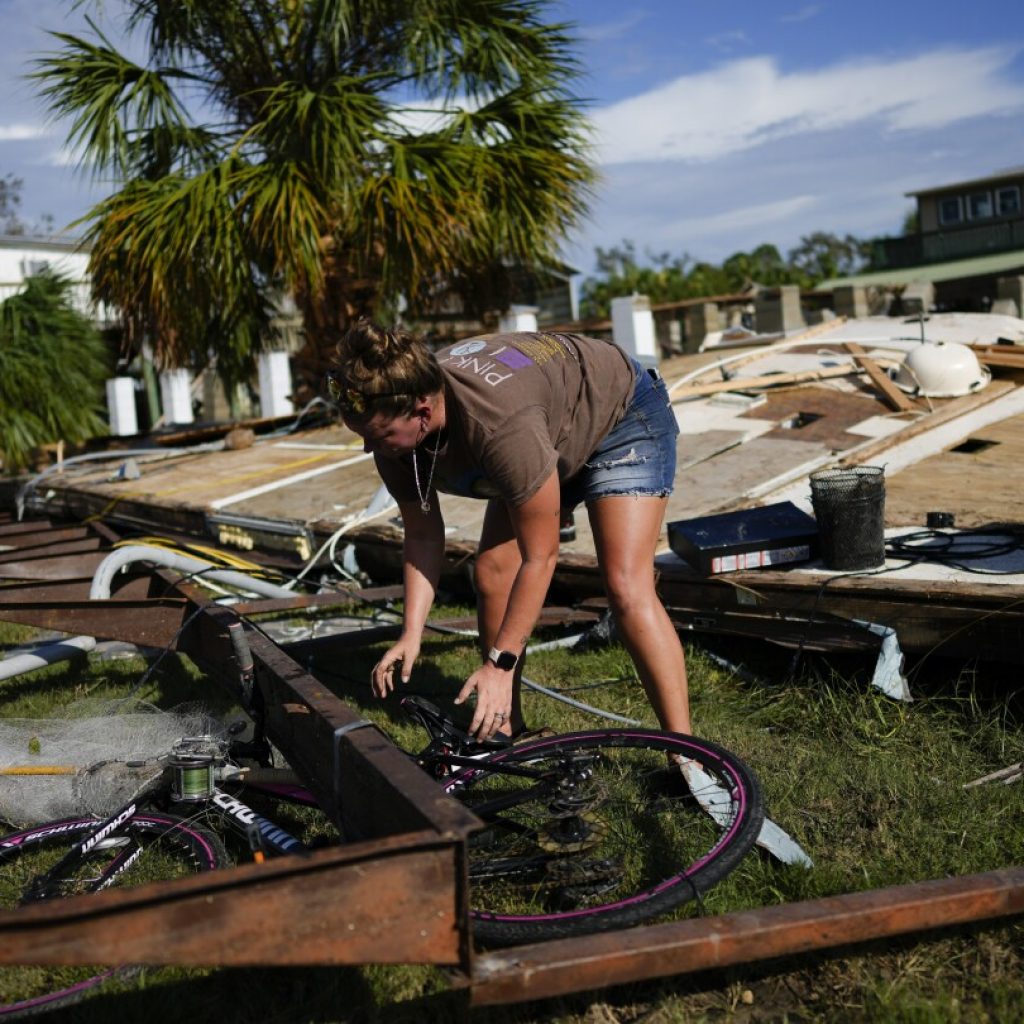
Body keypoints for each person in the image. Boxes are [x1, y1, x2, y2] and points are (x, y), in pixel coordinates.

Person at [329, 321, 690, 741]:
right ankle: (502, 724)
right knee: (493, 572)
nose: (370, 449)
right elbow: (424, 535)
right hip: (546, 426)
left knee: (626, 584)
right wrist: (412, 633)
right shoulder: (394, 430)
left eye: (379, 437)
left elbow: (542, 556)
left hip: (617, 416)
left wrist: (500, 664)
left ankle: (686, 751)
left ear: (423, 412)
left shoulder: (498, 427)